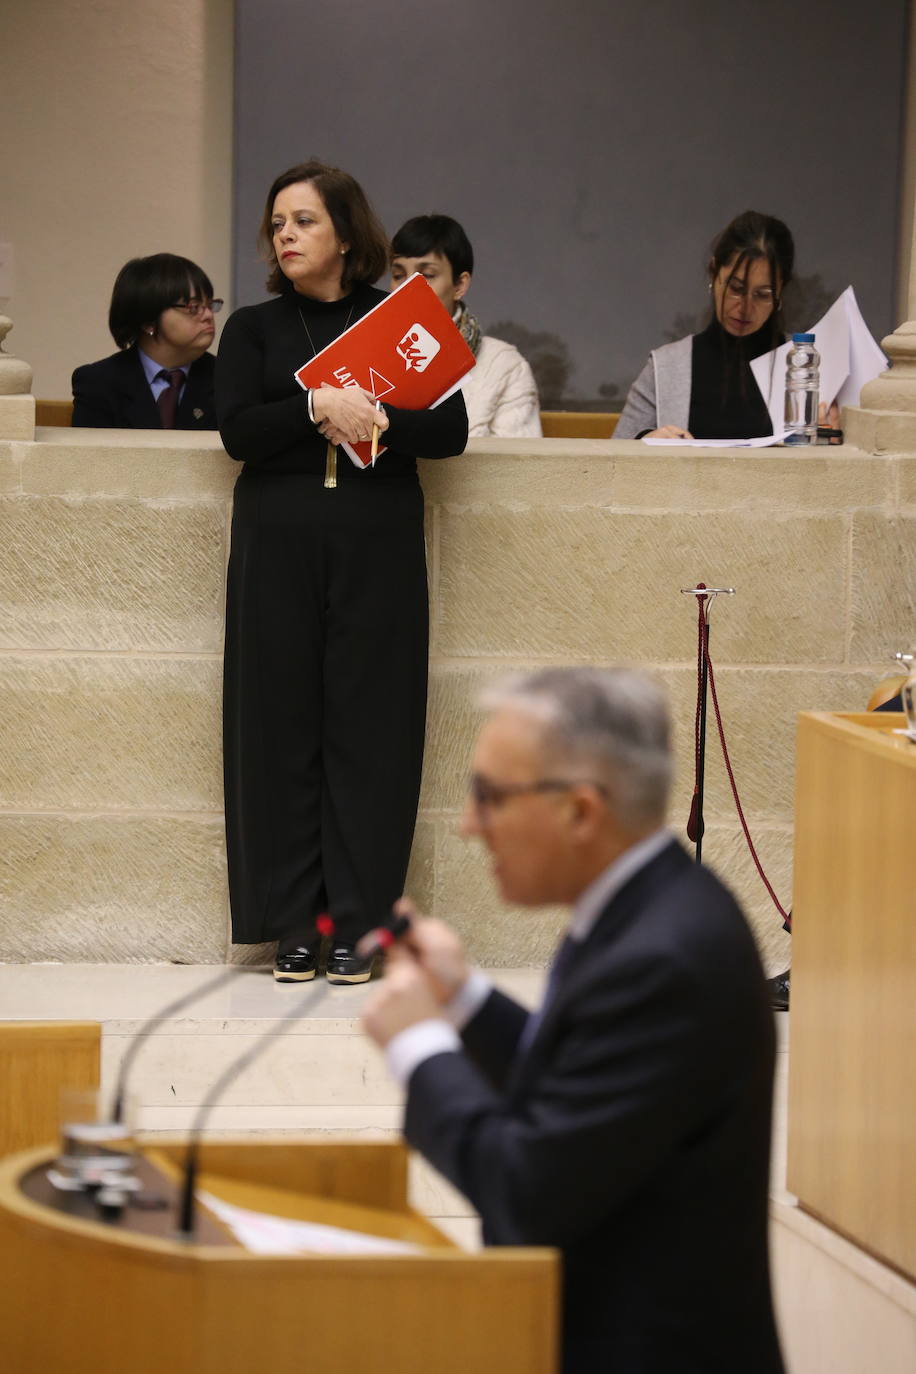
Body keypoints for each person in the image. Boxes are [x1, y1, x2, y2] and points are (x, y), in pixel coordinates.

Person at [363, 667, 785, 1374]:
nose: (470, 825)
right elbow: (581, 1077)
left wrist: (419, 1044)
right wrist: (462, 1000)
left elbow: (525, 1189)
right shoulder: (646, 904)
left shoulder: (666, 957)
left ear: (581, 812)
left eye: (489, 797)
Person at [216, 161, 468, 985]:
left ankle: (358, 925)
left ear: (346, 234)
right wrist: (316, 405)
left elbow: (450, 432)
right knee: (280, 730)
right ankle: (296, 924)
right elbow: (238, 433)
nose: (285, 235)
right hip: (277, 545)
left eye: (304, 221)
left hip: (378, 545)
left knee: (372, 734)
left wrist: (381, 415)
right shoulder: (252, 329)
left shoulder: (402, 321)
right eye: (278, 222)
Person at [617, 209, 812, 441]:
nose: (745, 308)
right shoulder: (665, 369)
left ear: (781, 291)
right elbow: (611, 464)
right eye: (736, 289)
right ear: (713, 272)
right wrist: (646, 442)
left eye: (762, 295)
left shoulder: (807, 365)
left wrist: (834, 436)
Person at [390, 214, 542, 439]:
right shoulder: (364, 348)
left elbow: (518, 466)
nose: (407, 287)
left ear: (460, 284)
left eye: (427, 275)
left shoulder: (505, 365)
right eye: (398, 275)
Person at [71, 253, 220, 429]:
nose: (209, 316)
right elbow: (88, 455)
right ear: (148, 321)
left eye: (210, 305)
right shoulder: (99, 383)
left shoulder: (227, 379)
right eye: (193, 307)